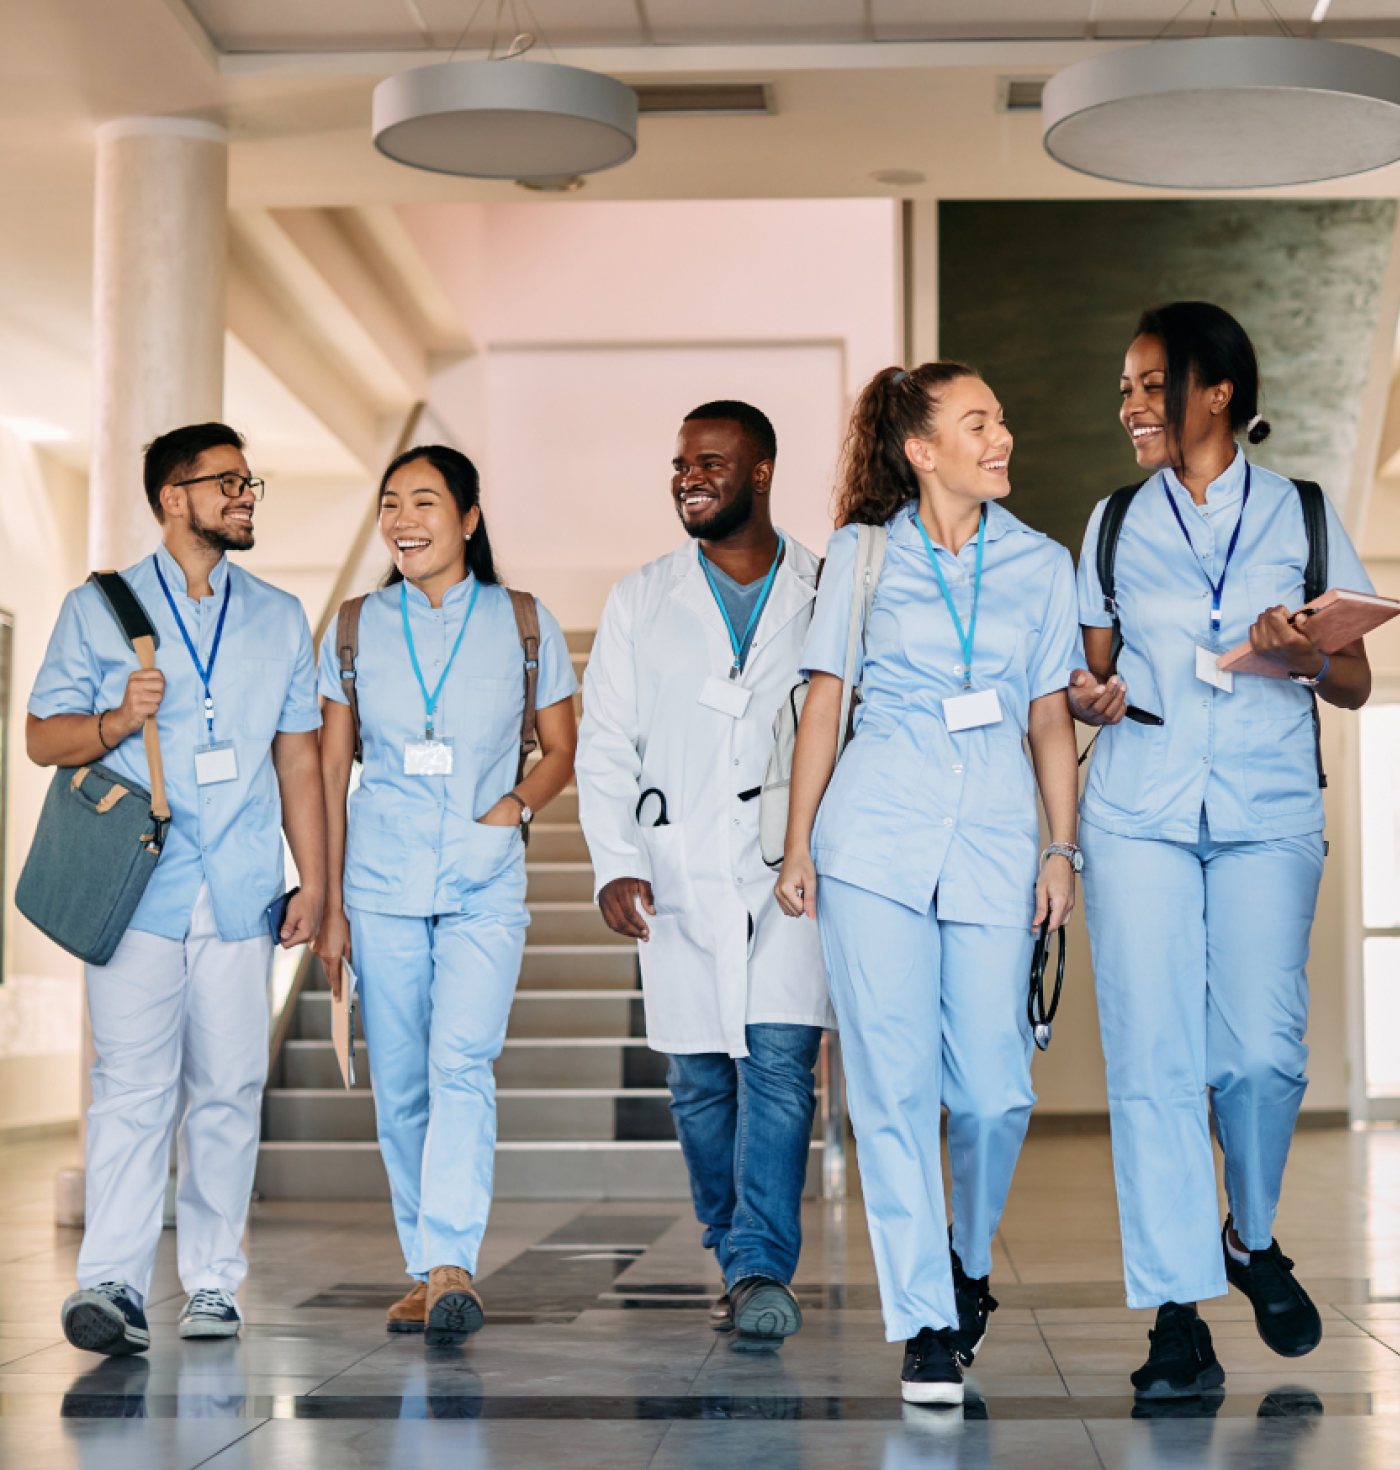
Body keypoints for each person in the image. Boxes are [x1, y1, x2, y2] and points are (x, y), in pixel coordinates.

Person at [1068, 302, 1374, 1400]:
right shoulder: (1110, 523)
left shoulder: (1304, 513)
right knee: (1153, 1062)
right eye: (1126, 390)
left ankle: (1249, 1234)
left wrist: (1302, 656)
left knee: (1261, 1055)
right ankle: (1175, 1314)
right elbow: (1087, 679)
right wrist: (1090, 696)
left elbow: (1357, 681)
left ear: (1218, 393)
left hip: (1267, 807)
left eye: (1152, 385)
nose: (1133, 407)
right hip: (1139, 811)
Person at [775, 363, 1081, 1405]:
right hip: (872, 844)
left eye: (999, 418)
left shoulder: (1043, 564)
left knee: (995, 1090)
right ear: (920, 450)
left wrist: (1061, 847)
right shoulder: (861, 557)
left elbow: (1049, 715)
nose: (1002, 436)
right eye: (978, 422)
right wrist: (798, 844)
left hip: (995, 842)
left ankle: (965, 1257)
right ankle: (926, 1322)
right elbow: (827, 703)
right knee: (892, 1088)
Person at [27, 423, 326, 1355]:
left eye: (250, 482)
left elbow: (299, 761)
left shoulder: (278, 616)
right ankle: (111, 1283)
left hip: (240, 890)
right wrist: (120, 718)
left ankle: (212, 1284)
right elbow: (43, 737)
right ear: (172, 498)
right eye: (226, 482)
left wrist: (314, 879)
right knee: (131, 1086)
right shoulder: (98, 608)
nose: (245, 496)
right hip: (140, 887)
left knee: (230, 1086)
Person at [576, 401, 832, 1351]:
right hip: (679, 863)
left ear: (762, 471)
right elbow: (605, 742)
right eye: (681, 462)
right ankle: (734, 1246)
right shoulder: (641, 597)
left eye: (711, 461)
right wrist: (614, 862)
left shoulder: (822, 583)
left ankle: (761, 1261)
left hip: (786, 865)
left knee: (778, 1064)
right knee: (697, 1082)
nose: (688, 476)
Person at [313, 445, 577, 1347]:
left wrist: (512, 808)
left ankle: (453, 1259)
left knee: (462, 1063)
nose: (404, 521)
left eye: (425, 502)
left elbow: (561, 750)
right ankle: (426, 1269)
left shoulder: (522, 620)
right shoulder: (353, 626)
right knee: (402, 1083)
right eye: (391, 504)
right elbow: (328, 766)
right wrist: (331, 903)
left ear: (468, 518)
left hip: (483, 882)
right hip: (380, 885)